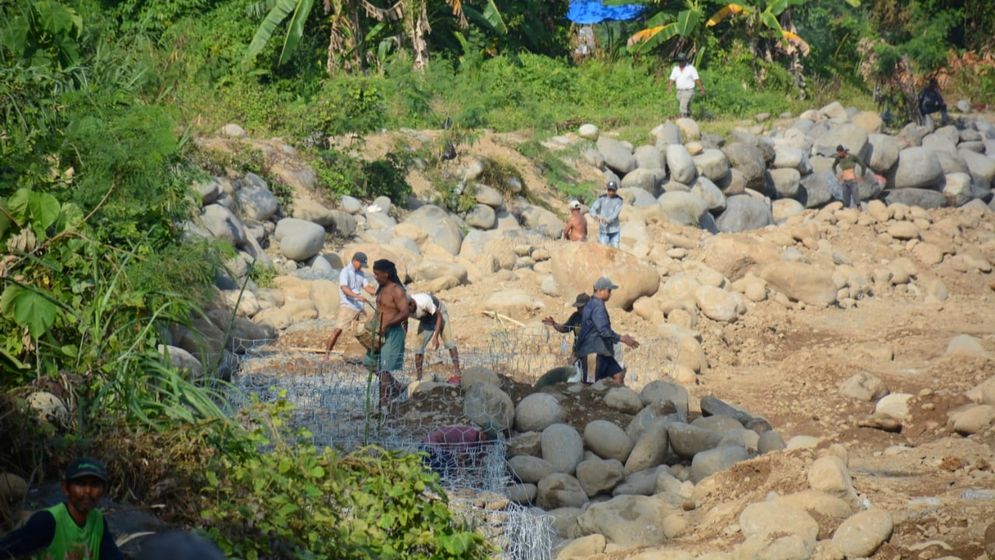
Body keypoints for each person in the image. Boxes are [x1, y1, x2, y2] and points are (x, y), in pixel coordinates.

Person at [0, 458, 123, 559]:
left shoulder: (98, 521)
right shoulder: (48, 521)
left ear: (103, 490)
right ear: (65, 488)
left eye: (95, 485)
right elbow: (6, 549)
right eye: (80, 484)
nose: (88, 491)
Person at [575, 277, 639, 385]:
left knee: (618, 374)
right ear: (600, 290)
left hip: (601, 351)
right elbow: (604, 331)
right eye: (609, 291)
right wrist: (622, 338)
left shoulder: (591, 304)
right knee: (590, 386)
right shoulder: (597, 306)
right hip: (592, 353)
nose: (610, 294)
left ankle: (610, 399)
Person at [364, 259, 409, 407]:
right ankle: (396, 385)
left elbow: (404, 312)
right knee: (369, 362)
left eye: (377, 274)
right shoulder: (381, 288)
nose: (375, 277)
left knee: (384, 368)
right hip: (378, 332)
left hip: (392, 332)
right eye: (374, 274)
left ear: (386, 273)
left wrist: (388, 324)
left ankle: (384, 402)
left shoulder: (397, 290)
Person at [324, 252, 376, 360]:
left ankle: (373, 353)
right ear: (355, 260)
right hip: (347, 306)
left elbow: (367, 287)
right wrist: (357, 296)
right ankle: (327, 355)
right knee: (338, 330)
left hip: (359, 307)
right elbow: (344, 288)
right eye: (360, 264)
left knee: (368, 330)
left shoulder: (361, 274)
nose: (361, 266)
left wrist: (377, 292)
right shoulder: (345, 271)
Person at [407, 293, 461, 383]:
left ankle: (457, 372)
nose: (407, 312)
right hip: (426, 319)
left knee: (448, 342)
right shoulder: (404, 308)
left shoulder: (424, 302)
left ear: (412, 304)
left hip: (439, 312)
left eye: (408, 310)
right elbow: (404, 322)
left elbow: (439, 316)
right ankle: (419, 378)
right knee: (418, 348)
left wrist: (435, 337)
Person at [421, 425, 497, 481]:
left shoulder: (482, 442)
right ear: (483, 434)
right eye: (487, 439)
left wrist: (478, 476)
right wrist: (462, 471)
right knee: (448, 467)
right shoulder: (470, 434)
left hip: (441, 448)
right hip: (431, 444)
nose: (488, 443)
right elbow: (461, 455)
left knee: (446, 467)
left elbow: (479, 458)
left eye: (490, 442)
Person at [668, 53, 705, 118]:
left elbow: (696, 79)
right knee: (686, 106)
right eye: (679, 61)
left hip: (688, 91)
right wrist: (670, 87)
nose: (680, 62)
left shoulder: (691, 68)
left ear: (685, 61)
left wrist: (701, 88)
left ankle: (683, 119)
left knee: (683, 105)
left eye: (682, 61)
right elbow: (672, 79)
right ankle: (689, 117)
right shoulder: (675, 69)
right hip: (679, 91)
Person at [832, 145, 868, 210]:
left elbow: (863, 166)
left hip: (852, 181)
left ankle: (861, 212)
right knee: (846, 200)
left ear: (844, 151)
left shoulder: (852, 157)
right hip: (844, 181)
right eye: (838, 152)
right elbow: (833, 166)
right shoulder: (838, 158)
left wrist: (862, 176)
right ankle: (848, 215)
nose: (839, 154)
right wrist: (836, 175)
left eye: (840, 152)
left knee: (856, 198)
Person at [589, 181, 623, 248]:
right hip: (604, 230)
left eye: (613, 190)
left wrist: (607, 220)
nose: (611, 192)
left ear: (616, 190)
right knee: (602, 249)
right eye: (609, 190)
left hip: (615, 230)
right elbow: (593, 208)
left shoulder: (619, 200)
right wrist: (594, 215)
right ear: (607, 189)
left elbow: (615, 214)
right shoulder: (602, 198)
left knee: (615, 250)